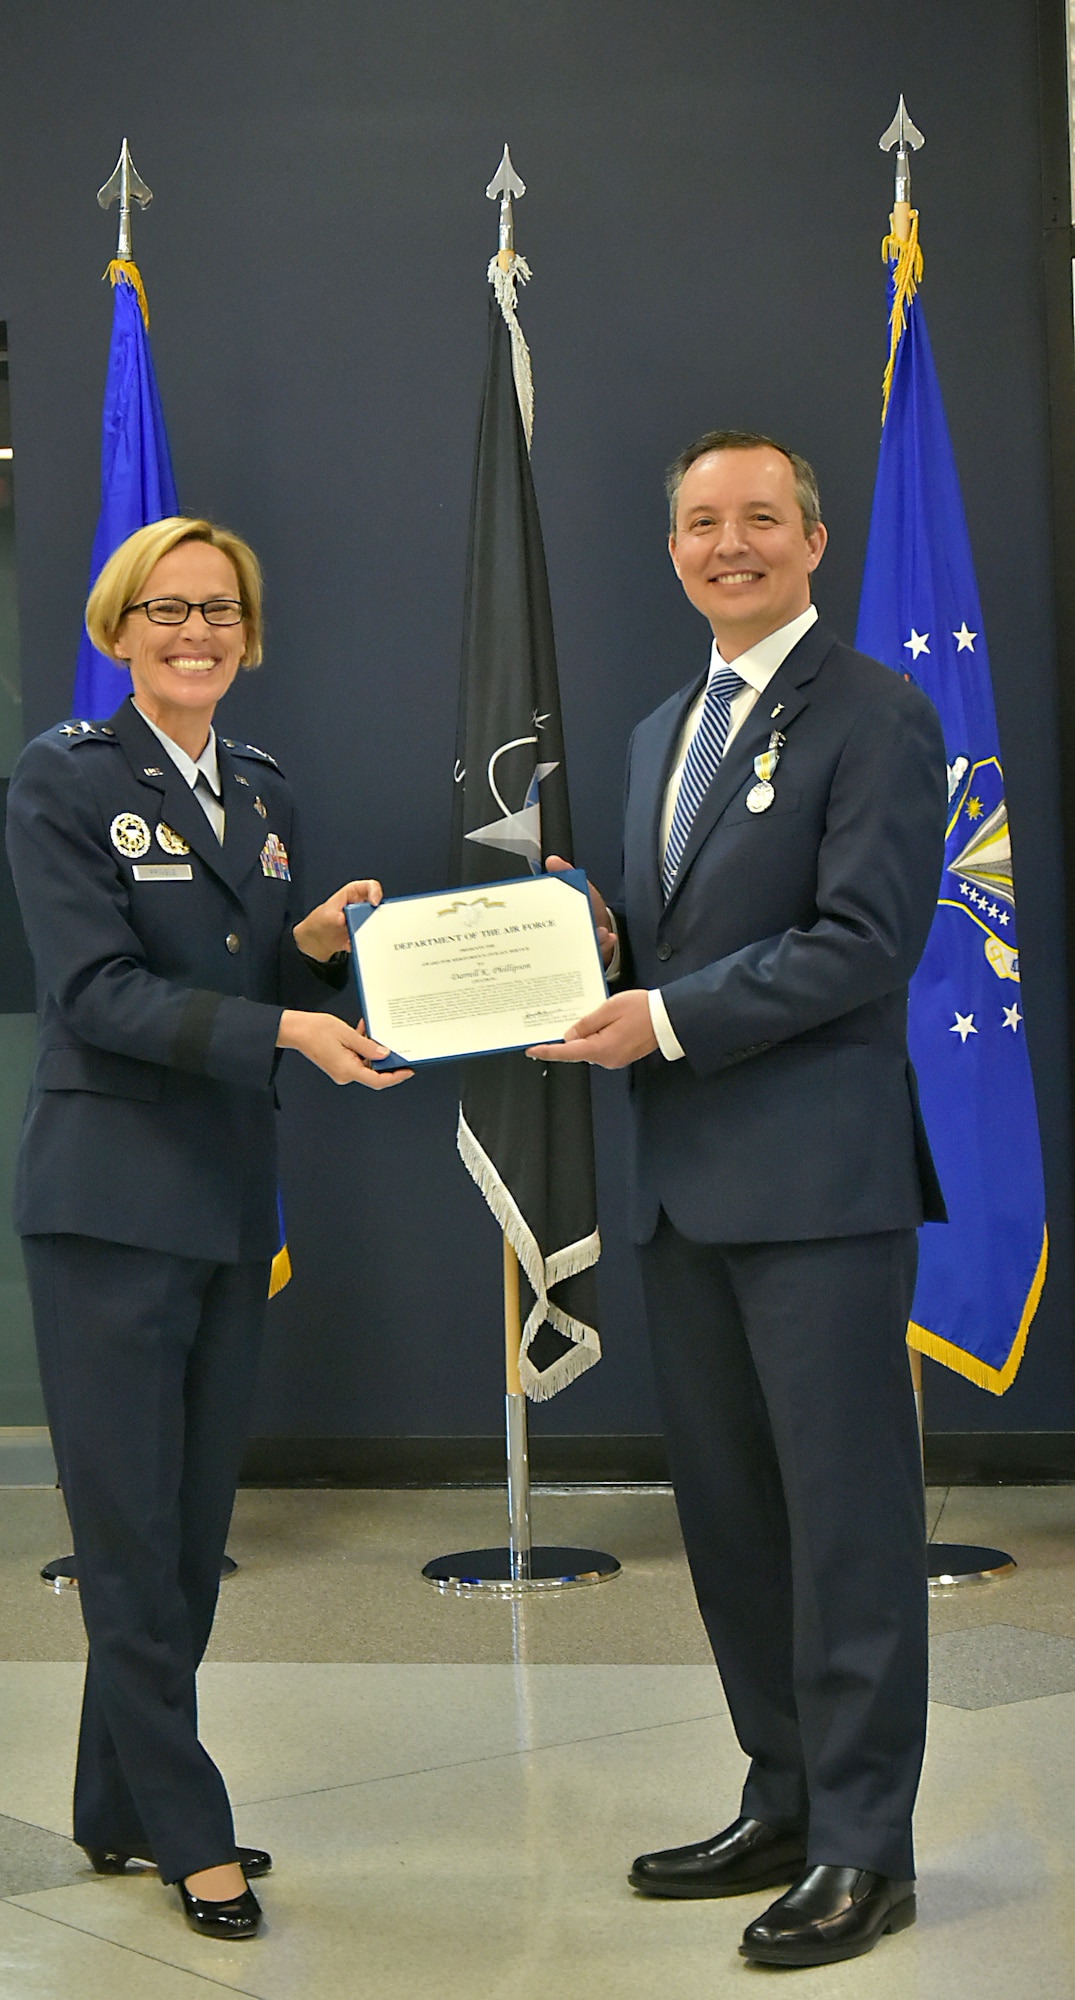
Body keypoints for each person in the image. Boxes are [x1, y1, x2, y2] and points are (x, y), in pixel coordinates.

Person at [531, 432, 947, 1970]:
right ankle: (779, 1795)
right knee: (730, 1525)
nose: (730, 544)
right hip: (683, 1197)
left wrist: (665, 1015)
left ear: (814, 542)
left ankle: (863, 1847)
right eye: (702, 522)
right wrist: (586, 940)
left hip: (819, 1196)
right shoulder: (656, 733)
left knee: (845, 1530)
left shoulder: (881, 716)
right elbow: (664, 937)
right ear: (672, 551)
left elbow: (863, 943)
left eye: (760, 519)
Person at [6, 516, 408, 1942]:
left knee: (183, 1541)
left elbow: (228, 952)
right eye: (168, 610)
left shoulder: (259, 782)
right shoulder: (65, 778)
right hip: (108, 1207)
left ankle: (113, 1802)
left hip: (227, 1203)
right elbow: (100, 993)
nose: (197, 633)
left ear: (249, 630)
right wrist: (291, 1019)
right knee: (126, 1537)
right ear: (121, 628)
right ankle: (192, 1833)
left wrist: (307, 944)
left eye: (221, 610)